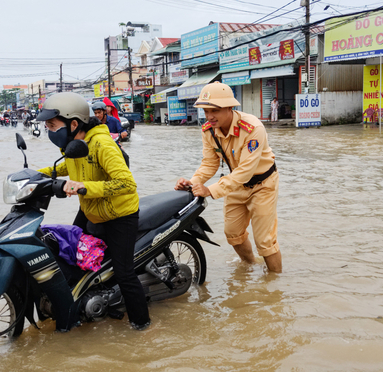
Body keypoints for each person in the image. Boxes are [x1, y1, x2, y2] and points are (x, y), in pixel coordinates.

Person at [36, 92, 151, 330]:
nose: (48, 130)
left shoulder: (102, 144)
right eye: (46, 126)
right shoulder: (73, 144)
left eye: (52, 125)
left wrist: (84, 187)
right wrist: (36, 176)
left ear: (73, 123)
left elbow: (127, 183)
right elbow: (68, 167)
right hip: (91, 209)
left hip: (120, 215)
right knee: (70, 253)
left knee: (124, 273)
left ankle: (143, 326)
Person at [175, 82, 282, 273]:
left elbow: (245, 171)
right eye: (206, 110)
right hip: (235, 185)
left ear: (229, 108)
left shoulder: (252, 128)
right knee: (233, 233)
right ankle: (251, 268)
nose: (209, 116)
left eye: (214, 110)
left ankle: (275, 284)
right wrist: (193, 183)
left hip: (263, 184)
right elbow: (210, 163)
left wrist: (210, 191)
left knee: (264, 240)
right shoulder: (208, 130)